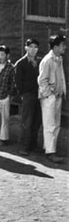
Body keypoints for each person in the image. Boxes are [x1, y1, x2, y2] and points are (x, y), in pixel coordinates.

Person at [38, 35, 66, 164]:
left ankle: (49, 148)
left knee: (56, 124)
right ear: (55, 47)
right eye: (62, 45)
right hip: (49, 97)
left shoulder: (59, 58)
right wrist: (49, 94)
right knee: (50, 124)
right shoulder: (48, 60)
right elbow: (42, 80)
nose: (64, 47)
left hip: (57, 97)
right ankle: (50, 152)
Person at [14, 39, 41, 156]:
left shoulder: (40, 62)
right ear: (26, 48)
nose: (33, 49)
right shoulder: (21, 63)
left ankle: (33, 145)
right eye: (30, 47)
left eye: (35, 47)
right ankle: (24, 146)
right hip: (28, 96)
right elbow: (18, 83)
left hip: (39, 95)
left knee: (37, 121)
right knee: (27, 121)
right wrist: (24, 94)